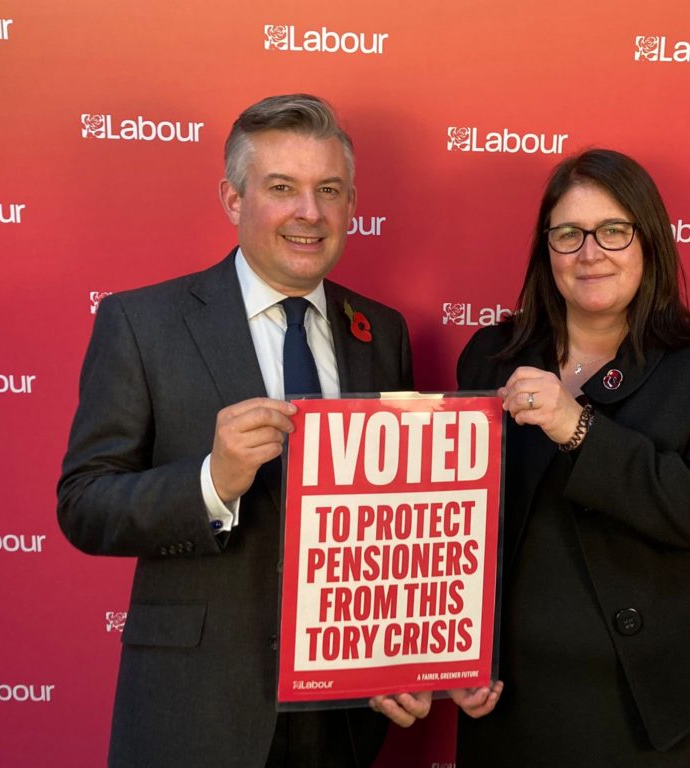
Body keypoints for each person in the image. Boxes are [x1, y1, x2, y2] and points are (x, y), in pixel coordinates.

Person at [57, 94, 430, 768]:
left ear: (350, 205)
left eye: (329, 190)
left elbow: (394, 519)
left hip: (343, 719)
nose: (308, 213)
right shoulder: (143, 324)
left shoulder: (383, 332)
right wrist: (210, 482)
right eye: (281, 188)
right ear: (233, 200)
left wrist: (402, 656)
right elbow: (84, 505)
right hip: (197, 708)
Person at [451, 149, 690, 766]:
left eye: (613, 230)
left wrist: (576, 426)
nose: (589, 253)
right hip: (515, 699)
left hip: (665, 702)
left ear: (648, 242)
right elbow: (459, 525)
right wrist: (456, 649)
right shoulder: (490, 357)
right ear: (545, 249)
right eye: (568, 234)